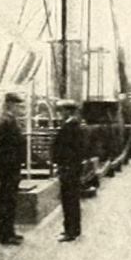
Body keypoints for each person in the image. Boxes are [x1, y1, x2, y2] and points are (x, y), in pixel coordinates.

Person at [0, 92, 26, 245]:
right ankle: (5, 236)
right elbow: (5, 145)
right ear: (10, 104)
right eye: (18, 106)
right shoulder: (6, 121)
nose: (20, 109)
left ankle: (9, 232)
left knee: (9, 200)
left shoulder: (6, 119)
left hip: (9, 165)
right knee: (6, 201)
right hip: (8, 166)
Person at [52, 99, 85, 242]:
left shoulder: (70, 127)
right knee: (73, 199)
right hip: (72, 168)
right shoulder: (74, 126)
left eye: (61, 111)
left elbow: (67, 150)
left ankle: (70, 231)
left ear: (68, 111)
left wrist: (61, 164)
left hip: (68, 168)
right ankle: (74, 229)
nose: (60, 114)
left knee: (68, 200)